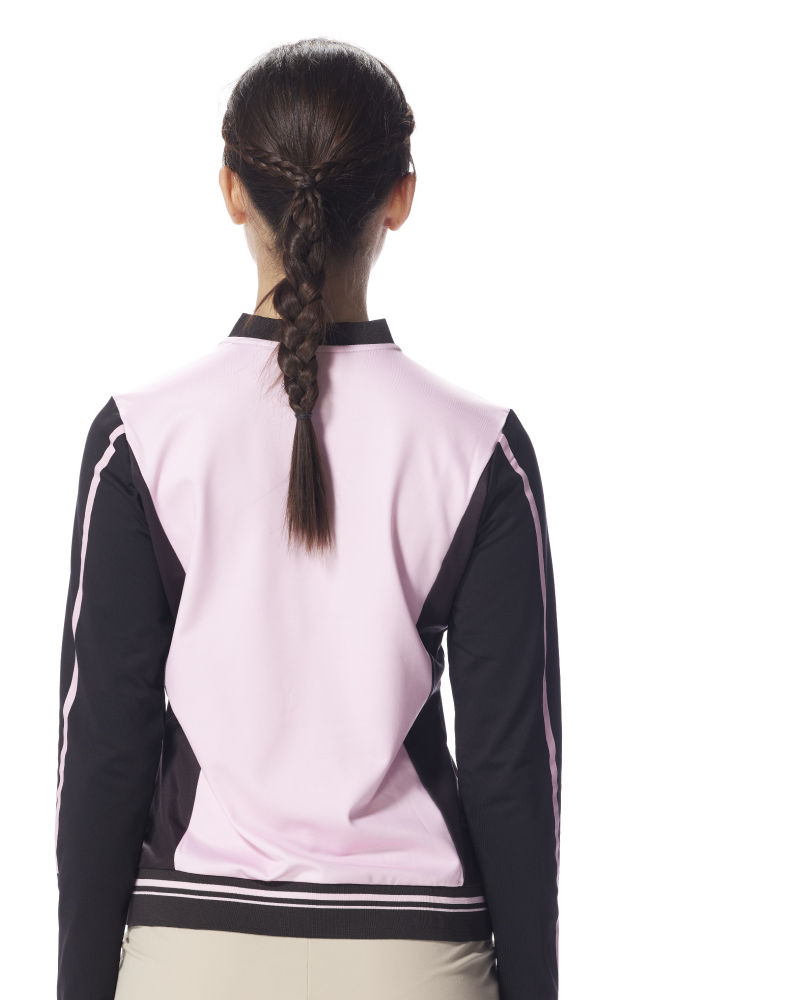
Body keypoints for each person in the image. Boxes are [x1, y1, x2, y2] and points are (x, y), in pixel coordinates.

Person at [56, 38, 560, 1000]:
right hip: (414, 956)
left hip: (192, 954)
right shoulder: (480, 449)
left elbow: (103, 757)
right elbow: (512, 774)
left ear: (231, 191)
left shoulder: (140, 440)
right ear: (401, 197)